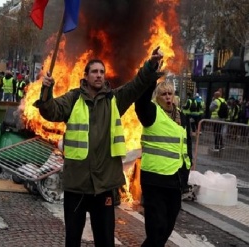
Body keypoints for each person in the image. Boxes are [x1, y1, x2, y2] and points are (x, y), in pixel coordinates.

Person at [35, 48, 163, 247]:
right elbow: (52, 111)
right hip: (76, 185)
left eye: (102, 72)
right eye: (94, 71)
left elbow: (136, 85)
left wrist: (151, 65)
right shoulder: (73, 98)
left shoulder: (114, 100)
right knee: (73, 240)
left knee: (105, 241)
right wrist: (46, 92)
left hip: (103, 186)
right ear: (85, 76)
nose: (99, 75)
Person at [135, 80, 192, 247]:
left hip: (175, 179)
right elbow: (140, 102)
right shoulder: (151, 112)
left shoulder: (182, 116)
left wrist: (186, 171)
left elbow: (186, 144)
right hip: (154, 179)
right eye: (163, 94)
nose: (168, 97)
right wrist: (150, 76)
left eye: (170, 93)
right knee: (156, 226)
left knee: (168, 225)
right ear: (157, 97)